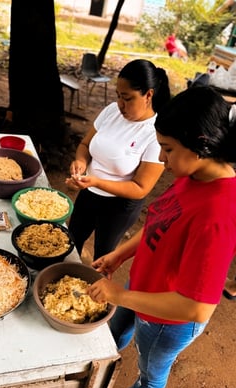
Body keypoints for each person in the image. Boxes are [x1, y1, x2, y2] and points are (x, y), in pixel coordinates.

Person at [87, 85, 236, 388]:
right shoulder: (195, 174)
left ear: (201, 145)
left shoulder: (218, 213)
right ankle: (107, 362)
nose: (162, 160)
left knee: (151, 369)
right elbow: (160, 220)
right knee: (117, 329)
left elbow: (196, 307)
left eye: (167, 150)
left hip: (167, 320)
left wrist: (119, 296)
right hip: (141, 287)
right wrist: (119, 255)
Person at [65, 59, 171, 260]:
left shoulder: (155, 132)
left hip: (119, 206)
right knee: (71, 241)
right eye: (118, 96)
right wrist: (81, 162)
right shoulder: (112, 111)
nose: (120, 104)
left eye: (128, 98)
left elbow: (141, 188)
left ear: (148, 95)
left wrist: (96, 181)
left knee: (104, 256)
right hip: (89, 192)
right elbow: (85, 145)